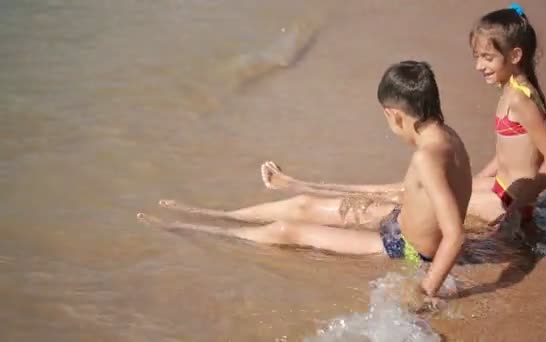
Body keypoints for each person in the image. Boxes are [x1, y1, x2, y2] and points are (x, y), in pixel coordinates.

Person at [137, 60, 472, 301]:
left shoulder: (427, 158)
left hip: (406, 248)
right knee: (303, 205)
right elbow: (410, 193)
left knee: (287, 231)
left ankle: (196, 229)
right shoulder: (447, 138)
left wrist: (424, 290)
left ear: (394, 115)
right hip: (399, 221)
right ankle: (214, 214)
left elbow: (455, 236)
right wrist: (302, 185)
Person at [465, 4, 546, 240]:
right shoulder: (509, 89)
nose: (478, 66)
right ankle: (359, 192)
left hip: (509, 201)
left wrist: (516, 209)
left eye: (487, 58)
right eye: (476, 57)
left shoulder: (520, 100)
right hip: (501, 186)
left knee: (428, 200)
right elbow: (508, 154)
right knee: (428, 189)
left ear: (515, 56)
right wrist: (479, 178)